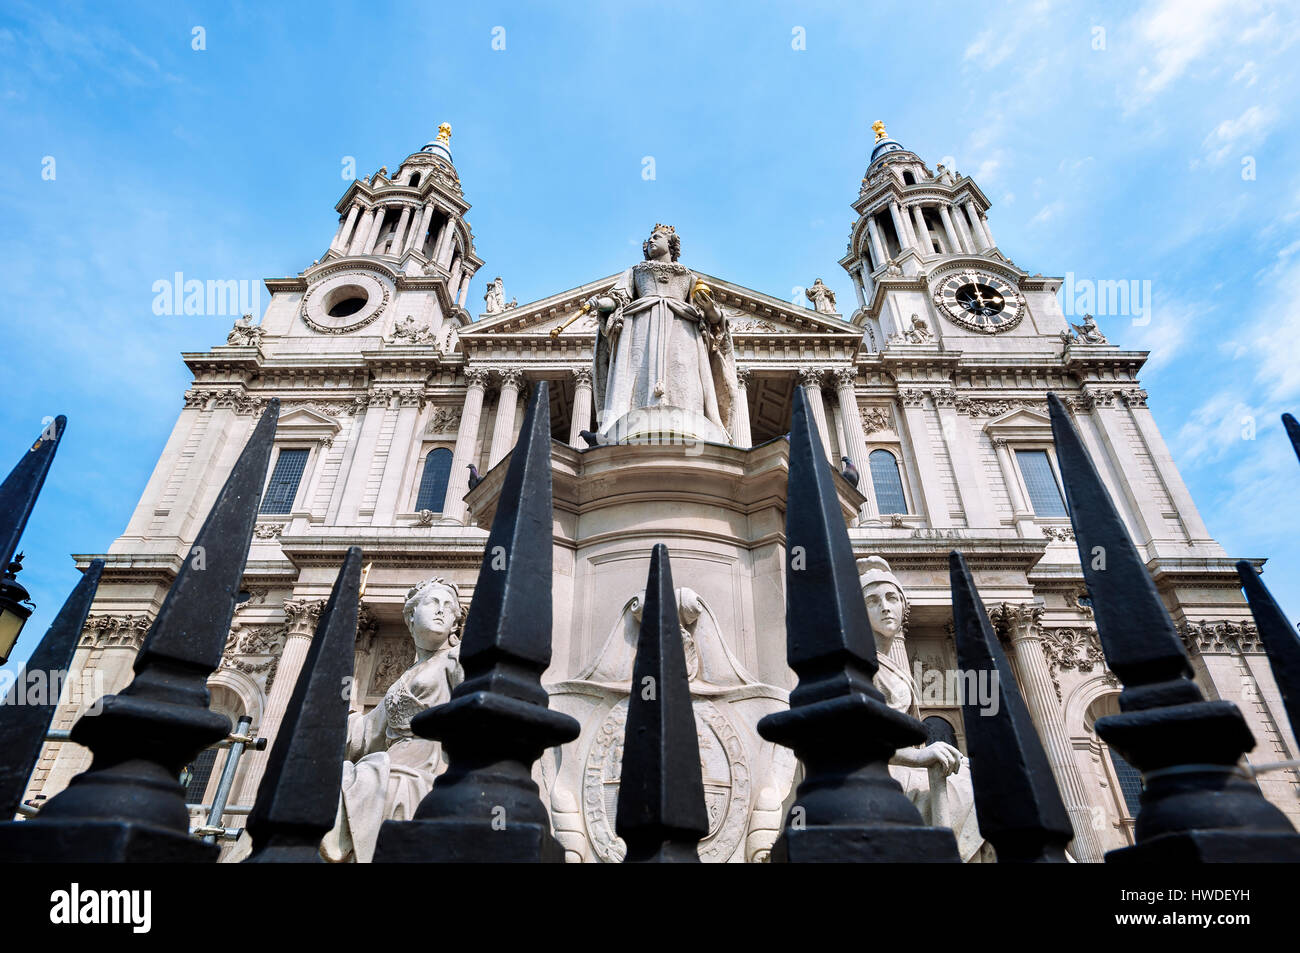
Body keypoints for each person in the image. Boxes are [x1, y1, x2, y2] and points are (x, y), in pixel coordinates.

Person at [319, 577, 464, 862]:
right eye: (433, 603)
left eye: (449, 607)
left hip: (427, 771)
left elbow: (479, 718)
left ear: (455, 625)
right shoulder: (403, 678)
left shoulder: (456, 660)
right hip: (390, 768)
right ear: (411, 615)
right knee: (323, 784)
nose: (441, 611)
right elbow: (364, 736)